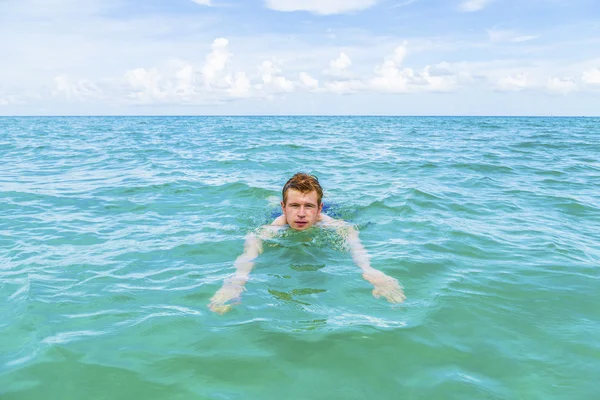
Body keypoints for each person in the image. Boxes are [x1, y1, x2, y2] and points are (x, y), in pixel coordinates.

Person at [208, 173, 406, 314]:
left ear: (319, 209)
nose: (301, 213)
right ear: (284, 208)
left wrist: (370, 271)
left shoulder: (332, 223)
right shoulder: (270, 228)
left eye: (309, 206)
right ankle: (273, 199)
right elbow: (250, 249)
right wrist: (237, 281)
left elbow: (351, 238)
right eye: (294, 206)